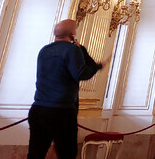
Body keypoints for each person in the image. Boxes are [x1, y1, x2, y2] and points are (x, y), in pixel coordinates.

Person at [27, 19, 104, 159]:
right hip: (61, 111)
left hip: (38, 108)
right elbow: (82, 73)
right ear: (72, 33)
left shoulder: (44, 50)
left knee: (35, 153)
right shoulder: (72, 49)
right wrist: (97, 66)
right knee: (67, 153)